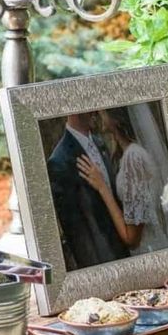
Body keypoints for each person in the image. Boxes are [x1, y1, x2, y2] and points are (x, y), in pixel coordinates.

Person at [76, 107, 168, 256]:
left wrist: (102, 187)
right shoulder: (125, 154)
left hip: (148, 253)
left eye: (104, 110)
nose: (98, 111)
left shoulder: (133, 157)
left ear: (116, 117)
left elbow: (132, 239)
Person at [47, 113, 130, 269]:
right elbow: (79, 237)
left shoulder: (100, 143)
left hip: (126, 251)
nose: (96, 112)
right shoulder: (60, 161)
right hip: (103, 263)